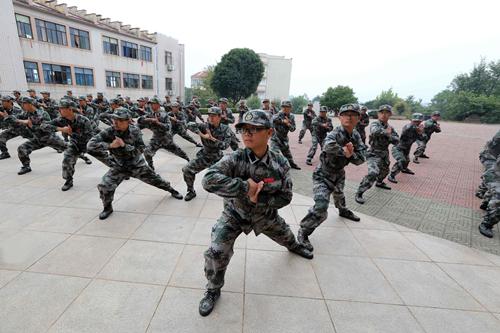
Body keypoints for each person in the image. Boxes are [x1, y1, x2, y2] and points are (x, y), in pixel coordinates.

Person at [199, 109, 313, 316]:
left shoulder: (280, 163)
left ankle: (295, 246)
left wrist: (260, 199)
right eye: (244, 129)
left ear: (269, 133)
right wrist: (245, 188)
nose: (247, 134)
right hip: (234, 215)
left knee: (286, 236)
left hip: (264, 215)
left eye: (255, 129)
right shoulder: (235, 158)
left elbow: (286, 197)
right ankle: (213, 289)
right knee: (216, 252)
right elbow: (207, 180)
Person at [87, 107, 183, 220]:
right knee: (105, 186)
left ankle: (171, 190)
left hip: (136, 164)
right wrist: (110, 146)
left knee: (156, 180)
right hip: (119, 166)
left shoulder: (135, 131)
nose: (116, 123)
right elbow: (90, 145)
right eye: (114, 120)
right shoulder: (109, 131)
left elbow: (141, 149)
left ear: (128, 121)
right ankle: (107, 207)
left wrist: (124, 146)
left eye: (120, 120)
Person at [297, 103, 366, 252]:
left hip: (339, 174)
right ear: (340, 117)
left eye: (353, 114)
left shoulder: (356, 136)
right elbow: (327, 145)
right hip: (323, 174)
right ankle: (304, 231)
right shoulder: (334, 133)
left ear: (358, 118)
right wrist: (343, 151)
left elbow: (361, 158)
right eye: (345, 114)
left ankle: (342, 210)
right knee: (321, 207)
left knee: (340, 195)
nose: (349, 117)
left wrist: (351, 155)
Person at [41, 99, 94, 191]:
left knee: (105, 157)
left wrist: (71, 133)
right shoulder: (61, 120)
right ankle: (68, 180)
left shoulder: (84, 120)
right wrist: (60, 129)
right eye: (59, 108)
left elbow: (89, 137)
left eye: (62, 108)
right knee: (67, 160)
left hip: (88, 144)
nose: (59, 110)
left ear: (70, 109)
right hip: (74, 144)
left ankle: (120, 171)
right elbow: (43, 125)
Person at [182, 107, 232, 201]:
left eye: (213, 116)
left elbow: (225, 146)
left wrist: (213, 139)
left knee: (232, 174)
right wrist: (202, 135)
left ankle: (229, 193)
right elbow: (188, 124)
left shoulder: (225, 129)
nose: (211, 118)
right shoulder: (204, 126)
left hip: (217, 157)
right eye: (209, 115)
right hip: (204, 155)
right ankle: (191, 191)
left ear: (219, 117)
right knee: (187, 169)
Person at [9, 97, 67, 175]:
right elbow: (16, 117)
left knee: (69, 148)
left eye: (24, 103)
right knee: (22, 148)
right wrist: (9, 117)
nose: (22, 105)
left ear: (30, 104)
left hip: (50, 138)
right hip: (37, 139)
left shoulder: (42, 113)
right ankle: (26, 166)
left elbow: (46, 128)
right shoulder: (26, 113)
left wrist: (30, 125)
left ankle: (83, 157)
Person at [355, 105, 399, 204]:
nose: (384, 115)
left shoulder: (390, 128)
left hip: (384, 153)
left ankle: (379, 182)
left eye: (386, 113)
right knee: (373, 173)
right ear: (378, 114)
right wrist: (387, 134)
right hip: (374, 153)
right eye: (381, 112)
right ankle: (359, 192)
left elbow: (397, 140)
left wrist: (389, 135)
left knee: (385, 171)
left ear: (390, 115)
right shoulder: (375, 124)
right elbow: (375, 131)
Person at [138, 97, 190, 170]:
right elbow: (139, 120)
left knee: (179, 151)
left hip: (166, 139)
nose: (151, 105)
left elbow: (168, 127)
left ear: (158, 105)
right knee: (147, 153)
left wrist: (158, 123)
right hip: (156, 139)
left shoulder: (164, 115)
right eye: (151, 104)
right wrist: (149, 119)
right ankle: (151, 167)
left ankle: (188, 160)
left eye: (153, 104)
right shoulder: (150, 114)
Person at [388, 113, 425, 183]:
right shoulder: (408, 126)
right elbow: (406, 131)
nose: (417, 123)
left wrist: (420, 133)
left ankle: (404, 169)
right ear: (411, 120)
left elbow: (422, 138)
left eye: (419, 121)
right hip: (398, 148)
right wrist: (416, 129)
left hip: (407, 148)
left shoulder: (418, 129)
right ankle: (392, 175)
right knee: (401, 161)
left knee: (407, 160)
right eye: (415, 121)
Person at [270, 100, 301, 169]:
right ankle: (273, 169)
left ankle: (292, 164)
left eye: (286, 107)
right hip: (275, 138)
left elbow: (293, 129)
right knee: (274, 154)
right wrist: (283, 121)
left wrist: (288, 124)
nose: (284, 108)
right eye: (283, 107)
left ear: (290, 108)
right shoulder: (279, 114)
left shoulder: (292, 116)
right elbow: (272, 119)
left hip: (284, 139)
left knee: (288, 154)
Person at [0, 95, 24, 160]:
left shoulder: (18, 110)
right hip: (12, 129)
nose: (2, 103)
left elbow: (16, 121)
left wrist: (6, 116)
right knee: (1, 138)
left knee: (40, 139)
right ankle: (5, 153)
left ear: (9, 102)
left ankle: (55, 144)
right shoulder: (2, 108)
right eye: (1, 101)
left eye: (3, 101)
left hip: (22, 129)